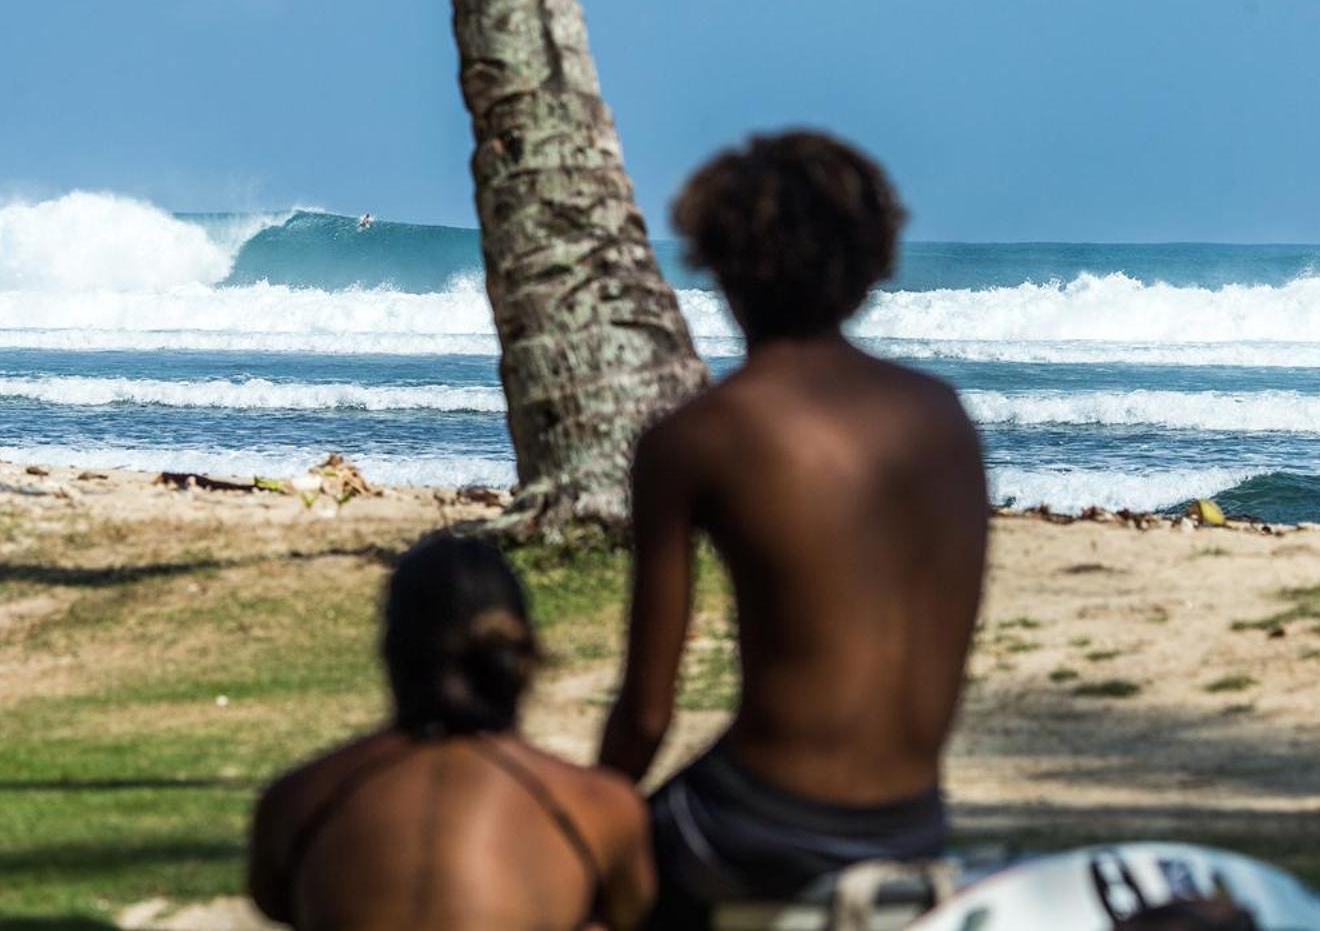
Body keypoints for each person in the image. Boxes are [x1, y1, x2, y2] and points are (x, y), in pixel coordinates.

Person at [598, 130, 988, 927]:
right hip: (914, 821)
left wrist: (586, 821)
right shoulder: (943, 419)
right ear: (869, 262)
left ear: (720, 264)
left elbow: (646, 713)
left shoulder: (699, 437)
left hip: (757, 823)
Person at [250, 533, 656, 930]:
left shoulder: (298, 801)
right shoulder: (598, 808)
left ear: (392, 651)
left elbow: (276, 902)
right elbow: (633, 908)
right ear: (520, 657)